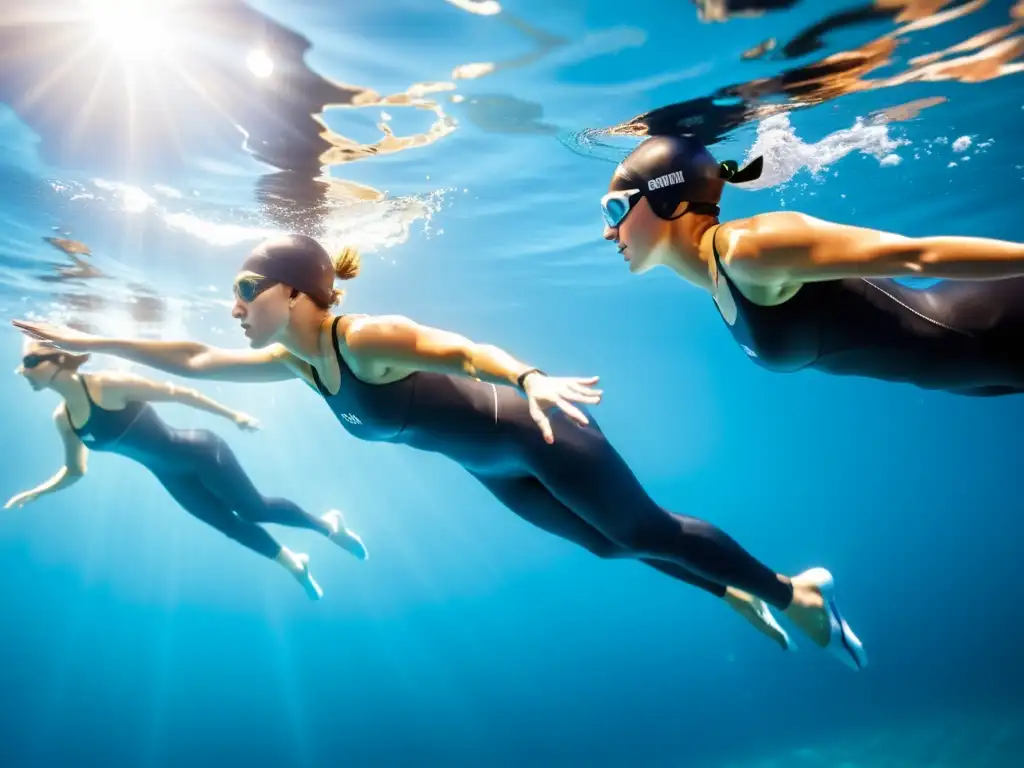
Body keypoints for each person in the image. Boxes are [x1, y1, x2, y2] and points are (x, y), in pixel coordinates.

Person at [14, 235, 865, 669]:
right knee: (614, 545)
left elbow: (453, 349)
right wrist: (88, 336)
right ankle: (730, 587)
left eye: (244, 290)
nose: (231, 307)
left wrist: (528, 377)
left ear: (295, 291)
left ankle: (792, 593)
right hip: (495, 466)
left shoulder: (362, 338)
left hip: (541, 429)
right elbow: (193, 360)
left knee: (641, 532)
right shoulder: (294, 363)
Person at [600, 134, 1024, 395]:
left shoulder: (750, 250)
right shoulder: (714, 273)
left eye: (614, 209)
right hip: (979, 372)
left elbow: (917, 256)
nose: (608, 232)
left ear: (666, 199)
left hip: (999, 329)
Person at [6, 339, 368, 600]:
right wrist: (37, 491)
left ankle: (328, 527)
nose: (23, 370)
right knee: (229, 525)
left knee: (253, 509)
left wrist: (233, 415)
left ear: (57, 359)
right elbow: (75, 471)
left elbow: (176, 392)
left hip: (200, 452)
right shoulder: (64, 420)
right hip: (171, 478)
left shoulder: (105, 385)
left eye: (30, 361)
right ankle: (295, 565)